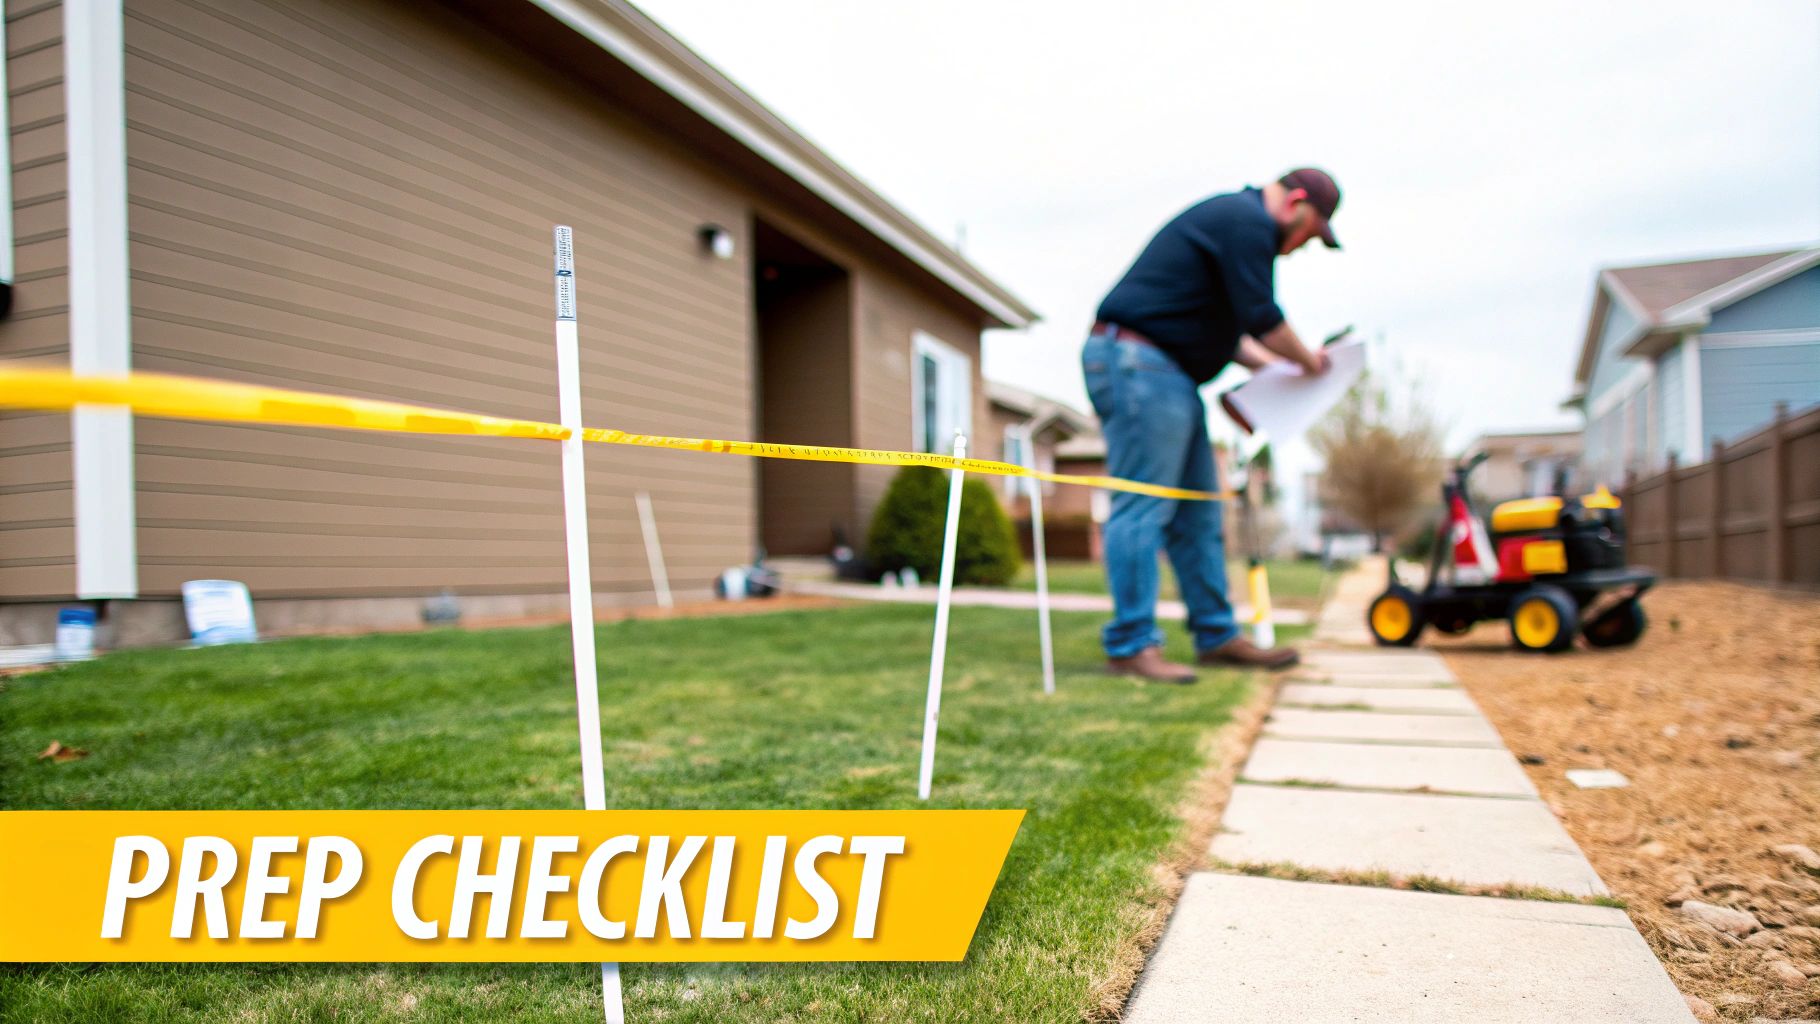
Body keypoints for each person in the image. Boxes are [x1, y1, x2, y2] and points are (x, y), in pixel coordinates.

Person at [1082, 168, 1342, 683]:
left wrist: (1280, 367)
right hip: (1136, 360)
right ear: (1295, 203)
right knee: (1142, 504)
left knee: (1199, 513)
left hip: (1169, 372)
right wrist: (1308, 362)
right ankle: (1131, 645)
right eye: (1309, 234)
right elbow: (1263, 316)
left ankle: (1216, 636)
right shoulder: (1246, 221)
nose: (1300, 248)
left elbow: (1239, 341)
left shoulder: (1235, 229)